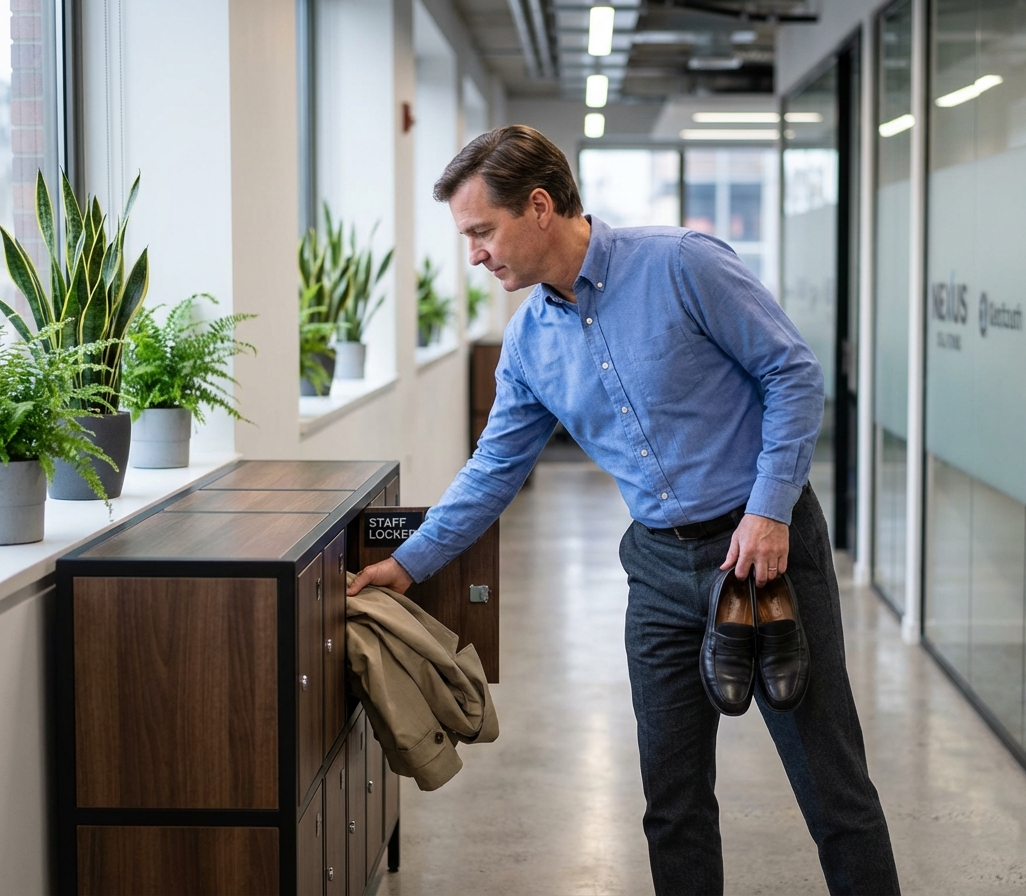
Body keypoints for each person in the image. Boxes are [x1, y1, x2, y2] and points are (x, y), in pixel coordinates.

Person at [348, 124, 900, 896]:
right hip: (659, 571)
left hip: (766, 555)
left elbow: (794, 374)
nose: (473, 252)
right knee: (671, 802)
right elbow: (493, 471)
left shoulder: (682, 264)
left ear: (538, 206)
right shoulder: (530, 344)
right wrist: (407, 563)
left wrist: (771, 510)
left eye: (481, 230)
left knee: (831, 787)